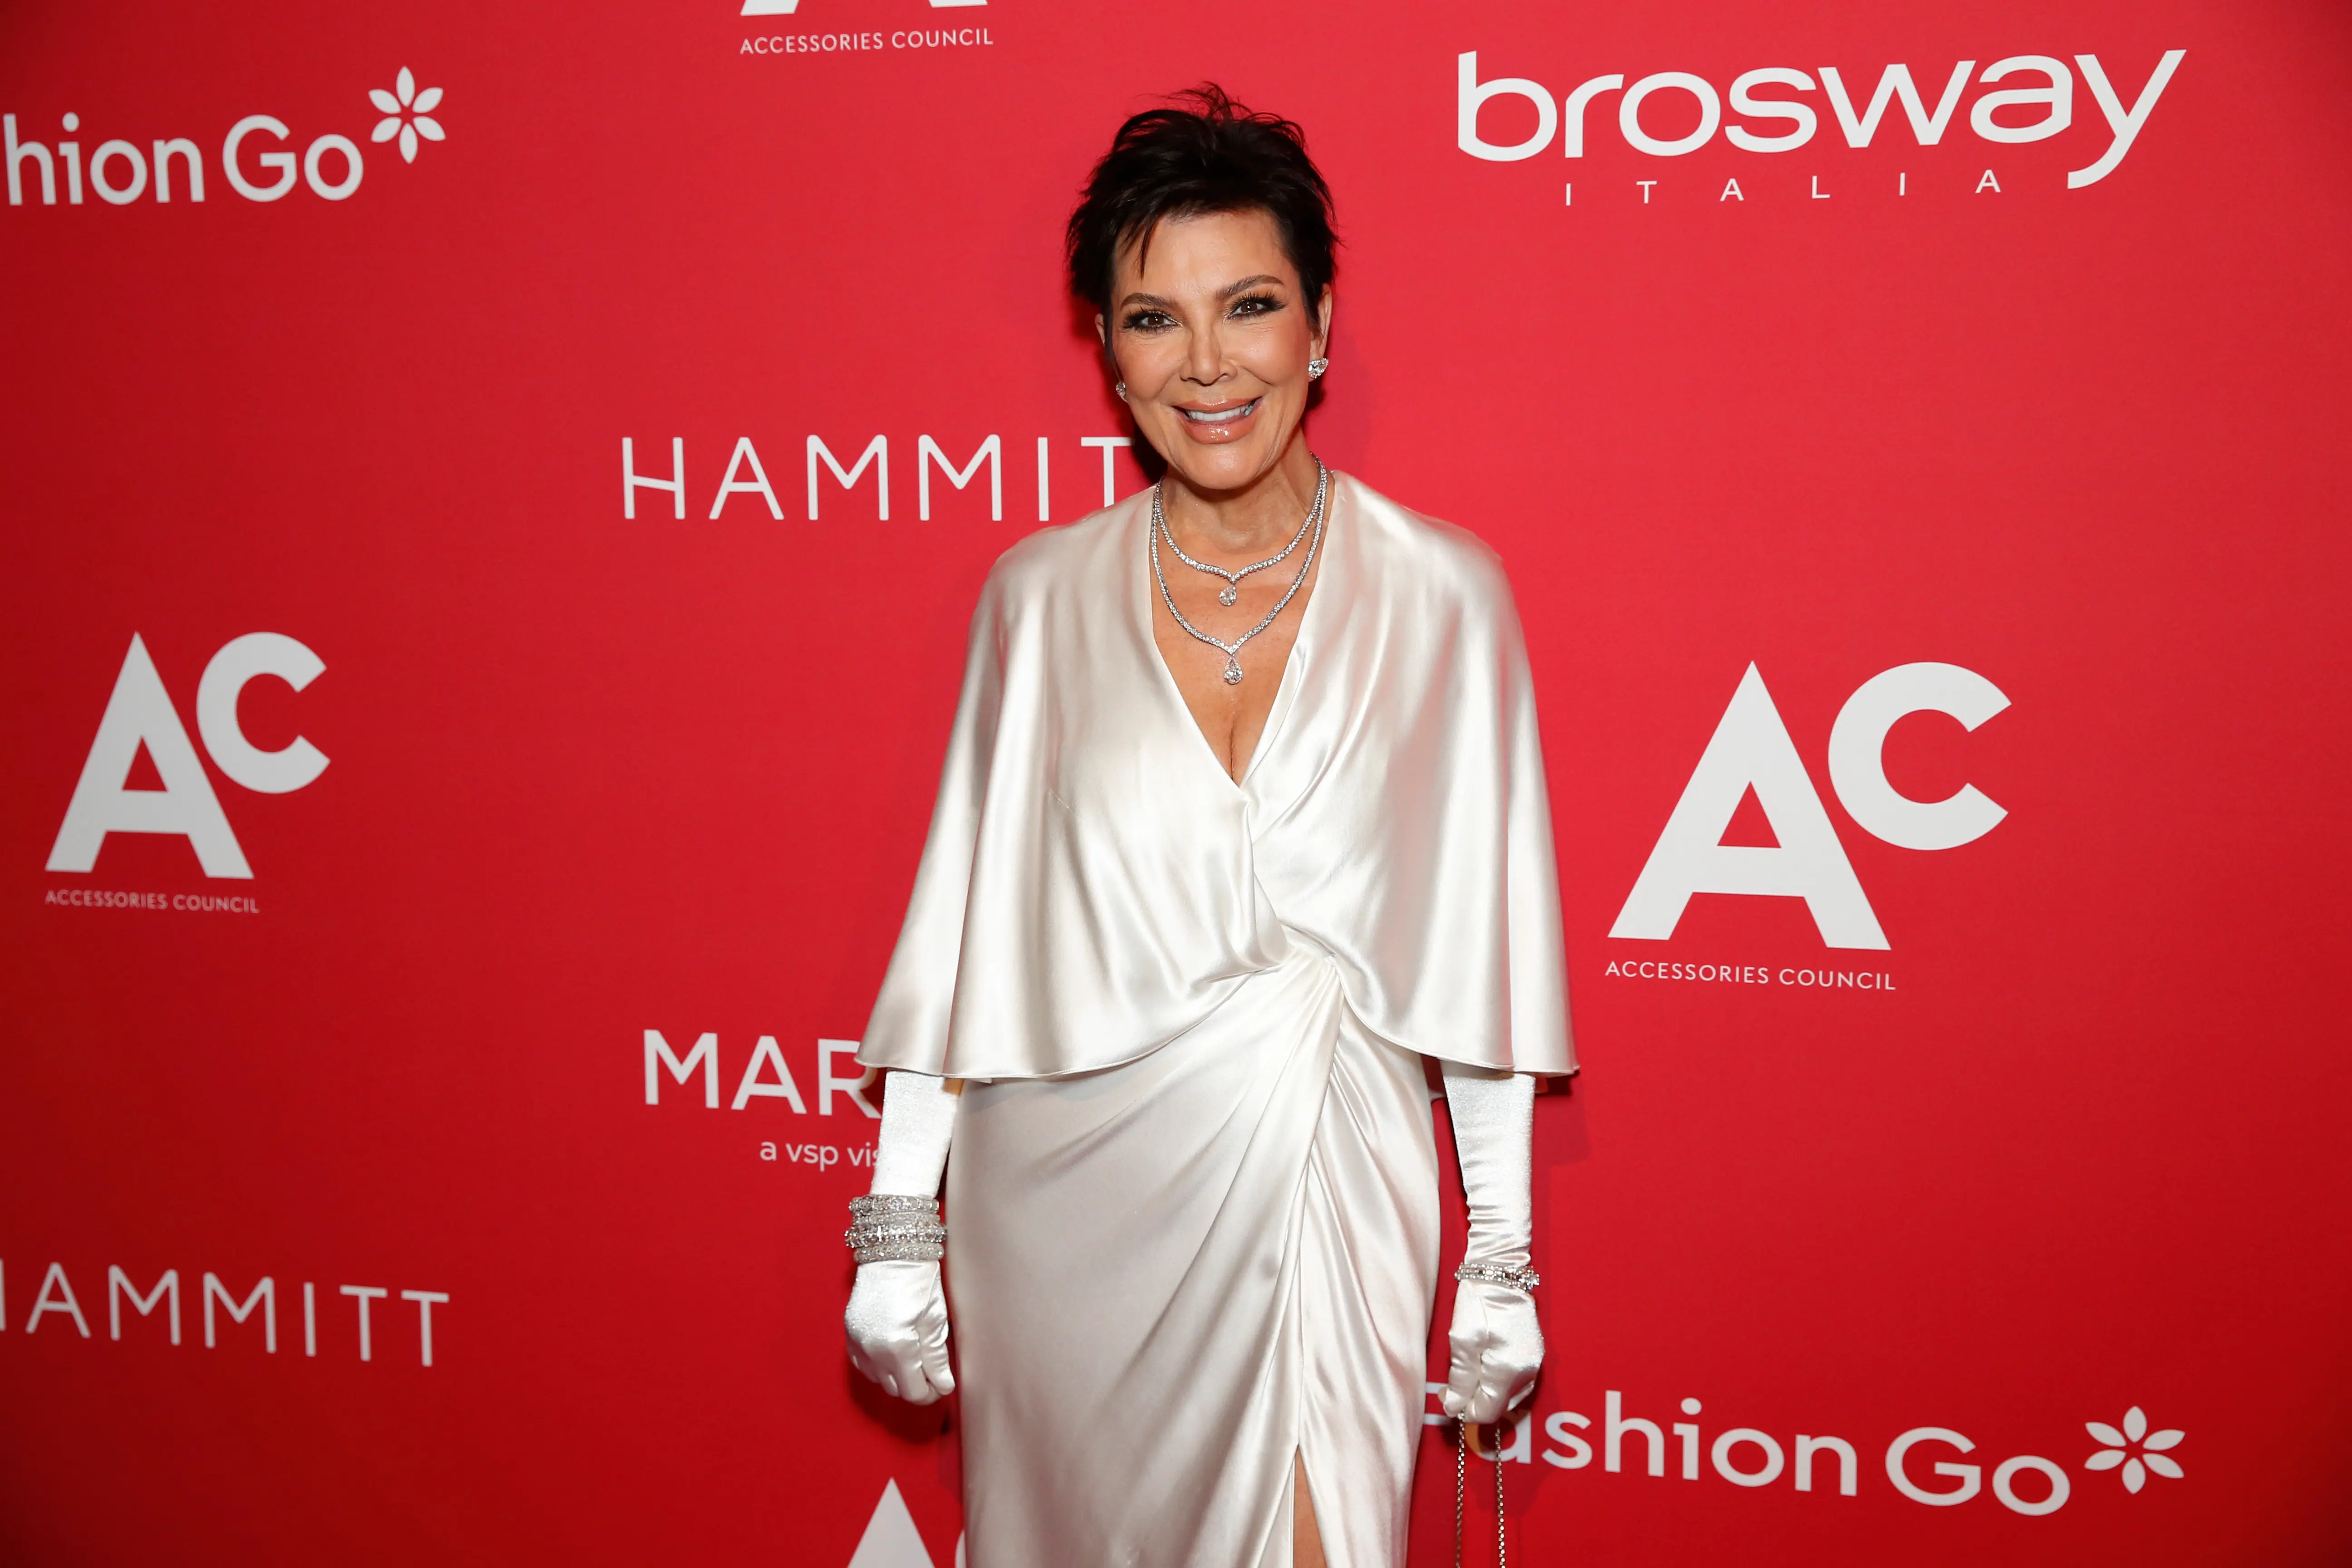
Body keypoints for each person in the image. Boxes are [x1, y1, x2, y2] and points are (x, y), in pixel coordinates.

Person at [840, 87, 1573, 1568]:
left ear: (1318, 324)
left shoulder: (1445, 593)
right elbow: (961, 938)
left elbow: (1480, 951)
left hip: (1327, 1165)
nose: (1207, 362)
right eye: (1151, 319)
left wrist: (1498, 1254)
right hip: (1059, 1198)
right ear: (1107, 356)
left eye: (1248, 305)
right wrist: (898, 1225)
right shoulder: (1035, 600)